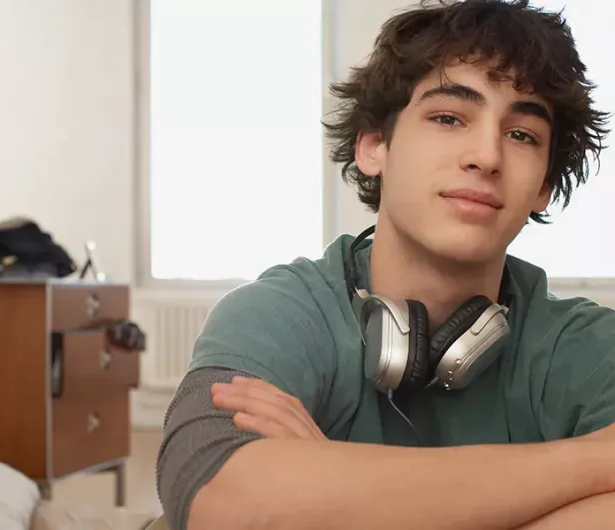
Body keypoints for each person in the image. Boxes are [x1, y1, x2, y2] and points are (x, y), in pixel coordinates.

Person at [156, 1, 615, 529]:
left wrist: (328, 488)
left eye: (522, 135)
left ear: (543, 187)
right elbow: (220, 503)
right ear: (375, 146)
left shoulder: (589, 349)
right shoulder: (275, 314)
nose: (486, 156)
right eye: (448, 117)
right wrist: (595, 461)